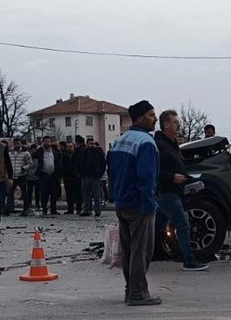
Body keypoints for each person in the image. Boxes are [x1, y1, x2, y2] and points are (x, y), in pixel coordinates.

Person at [108, 100, 162, 306]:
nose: (155, 118)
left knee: (129, 250)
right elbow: (147, 177)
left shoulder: (121, 141)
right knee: (142, 251)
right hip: (140, 205)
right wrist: (149, 203)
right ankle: (138, 293)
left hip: (122, 203)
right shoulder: (146, 142)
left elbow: (112, 173)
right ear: (140, 118)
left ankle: (131, 289)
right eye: (151, 115)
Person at [154, 110, 208, 271]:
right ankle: (188, 260)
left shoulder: (173, 144)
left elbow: (179, 167)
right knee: (183, 225)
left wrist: (191, 182)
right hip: (166, 192)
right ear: (166, 124)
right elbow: (154, 170)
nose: (179, 125)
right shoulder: (158, 145)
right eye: (176, 122)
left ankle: (144, 253)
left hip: (175, 191)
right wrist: (172, 177)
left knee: (157, 226)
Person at [78, 137, 106, 217]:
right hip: (85, 176)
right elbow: (79, 163)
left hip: (95, 177)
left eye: (93, 144)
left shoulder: (99, 153)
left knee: (97, 195)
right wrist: (80, 173)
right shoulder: (83, 153)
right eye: (90, 144)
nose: (92, 145)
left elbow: (103, 164)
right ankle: (86, 210)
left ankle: (98, 210)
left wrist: (100, 173)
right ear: (87, 144)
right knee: (86, 195)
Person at [32, 136, 58, 216]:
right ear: (43, 142)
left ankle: (53, 210)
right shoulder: (40, 151)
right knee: (44, 194)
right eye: (45, 141)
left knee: (54, 194)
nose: (47, 143)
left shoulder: (54, 152)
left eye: (48, 141)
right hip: (44, 175)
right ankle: (44, 209)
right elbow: (32, 155)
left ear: (51, 142)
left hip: (53, 175)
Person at [6, 141, 32, 215]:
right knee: (10, 192)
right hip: (12, 175)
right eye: (15, 143)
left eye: (18, 143)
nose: (16, 145)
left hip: (22, 175)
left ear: (20, 144)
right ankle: (10, 208)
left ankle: (26, 208)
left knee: (24, 192)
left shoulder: (25, 153)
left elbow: (30, 163)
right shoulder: (9, 153)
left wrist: (24, 168)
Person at [62, 137, 82, 214]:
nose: (69, 148)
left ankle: (79, 209)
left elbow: (80, 165)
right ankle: (70, 209)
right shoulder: (64, 156)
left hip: (76, 178)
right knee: (69, 195)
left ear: (74, 147)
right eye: (68, 147)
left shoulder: (77, 156)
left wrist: (78, 174)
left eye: (71, 147)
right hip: (67, 178)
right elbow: (62, 166)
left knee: (78, 194)